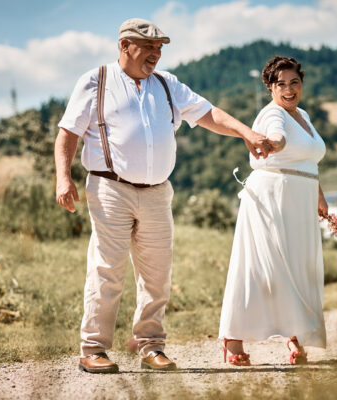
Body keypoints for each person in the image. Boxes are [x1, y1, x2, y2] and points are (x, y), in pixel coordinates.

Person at [54, 18, 272, 373]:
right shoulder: (96, 81)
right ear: (125, 46)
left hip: (157, 193)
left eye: (159, 49)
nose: (156, 54)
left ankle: (151, 346)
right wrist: (64, 177)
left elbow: (208, 114)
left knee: (157, 275)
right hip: (110, 188)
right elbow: (68, 133)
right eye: (148, 47)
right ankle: (93, 348)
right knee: (107, 270)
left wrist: (246, 133)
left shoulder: (167, 84)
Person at [218, 56, 328, 366]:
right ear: (270, 87)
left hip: (299, 199)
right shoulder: (272, 115)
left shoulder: (303, 115)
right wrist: (273, 144)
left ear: (302, 84)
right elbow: (278, 139)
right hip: (272, 199)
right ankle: (233, 339)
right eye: (281, 84)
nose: (289, 89)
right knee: (258, 268)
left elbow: (306, 159)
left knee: (297, 267)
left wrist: (318, 194)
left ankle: (294, 332)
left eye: (295, 83)